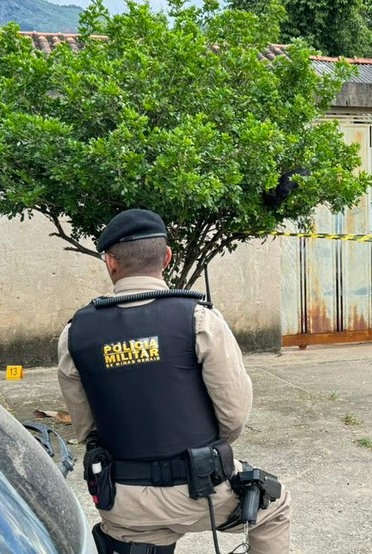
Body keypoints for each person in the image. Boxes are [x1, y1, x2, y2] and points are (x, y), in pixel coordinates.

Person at [58, 209, 291, 554]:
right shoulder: (200, 319)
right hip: (200, 490)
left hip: (123, 499)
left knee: (137, 537)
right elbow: (234, 414)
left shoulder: (75, 334)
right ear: (167, 257)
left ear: (110, 262)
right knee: (275, 505)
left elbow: (85, 427)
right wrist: (203, 449)